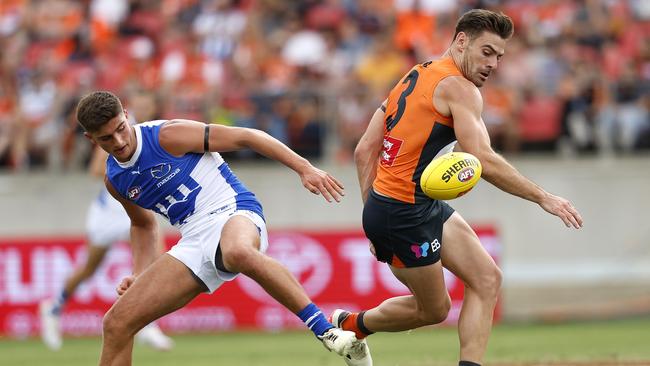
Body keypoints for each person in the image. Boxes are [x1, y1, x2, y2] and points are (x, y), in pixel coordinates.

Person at [329, 9, 583, 366]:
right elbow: (483, 159)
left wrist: (371, 214)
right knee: (434, 310)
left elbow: (363, 151)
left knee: (486, 278)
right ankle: (353, 324)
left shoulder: (416, 73)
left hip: (407, 204)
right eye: (487, 51)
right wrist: (544, 197)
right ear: (461, 41)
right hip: (402, 213)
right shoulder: (460, 89)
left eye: (499, 55)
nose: (493, 63)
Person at [75, 91, 371, 366]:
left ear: (126, 115)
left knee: (237, 251)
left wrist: (304, 167)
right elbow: (142, 224)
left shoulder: (167, 135)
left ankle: (327, 332)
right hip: (192, 239)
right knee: (116, 323)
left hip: (234, 210)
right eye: (106, 139)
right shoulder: (115, 179)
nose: (119, 142)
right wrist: (140, 273)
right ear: (91, 139)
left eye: (121, 129)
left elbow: (246, 137)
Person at [39, 146, 174, 352]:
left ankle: (147, 324)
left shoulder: (147, 130)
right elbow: (95, 170)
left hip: (135, 205)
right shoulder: (117, 132)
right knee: (89, 268)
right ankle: (54, 308)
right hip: (109, 213)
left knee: (155, 259)